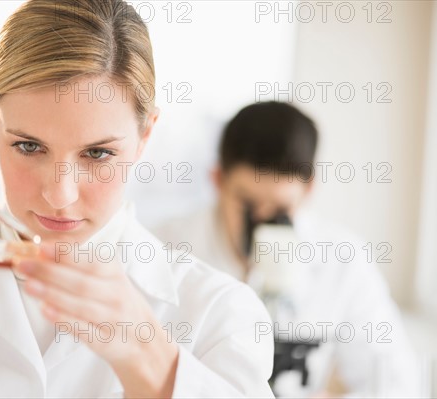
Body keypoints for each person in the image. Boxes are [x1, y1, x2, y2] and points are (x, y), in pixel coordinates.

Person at [0, 1, 275, 398]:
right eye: (29, 147)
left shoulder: (220, 314)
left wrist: (153, 364)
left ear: (145, 137)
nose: (60, 194)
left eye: (97, 154)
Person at [153, 102, 420, 397]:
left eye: (280, 209)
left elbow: (395, 383)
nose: (262, 225)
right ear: (217, 179)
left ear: (309, 189)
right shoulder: (164, 250)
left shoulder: (343, 261)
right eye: (249, 206)